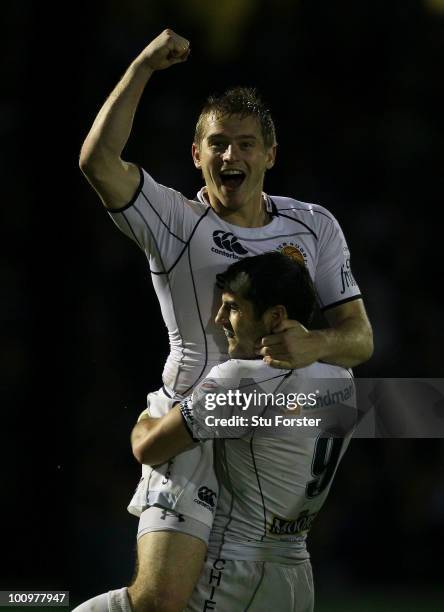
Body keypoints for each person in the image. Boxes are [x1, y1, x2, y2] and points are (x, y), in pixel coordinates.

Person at [77, 28, 372, 612]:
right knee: (162, 601)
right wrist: (141, 68)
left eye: (244, 143)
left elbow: (359, 339)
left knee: (251, 591)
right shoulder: (175, 220)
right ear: (197, 155)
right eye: (217, 144)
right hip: (192, 422)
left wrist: (314, 345)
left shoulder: (315, 226)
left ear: (270, 154)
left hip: (266, 426)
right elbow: (98, 161)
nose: (230, 155)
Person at [130, 252, 356, 611]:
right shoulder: (343, 380)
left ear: (276, 317)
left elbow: (149, 449)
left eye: (232, 307)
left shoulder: (240, 380)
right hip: (298, 577)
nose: (219, 319)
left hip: (238, 573)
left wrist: (149, 415)